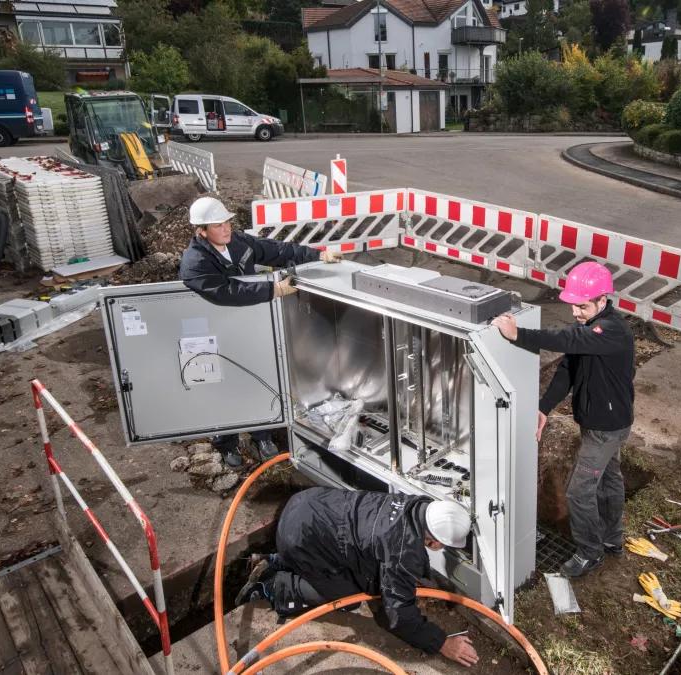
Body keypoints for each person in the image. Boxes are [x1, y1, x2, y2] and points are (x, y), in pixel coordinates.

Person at [490, 261, 634, 578]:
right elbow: (567, 370)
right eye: (573, 306)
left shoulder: (612, 331)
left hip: (607, 428)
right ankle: (612, 540)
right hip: (596, 421)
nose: (575, 313)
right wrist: (543, 408)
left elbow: (568, 341)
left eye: (582, 306)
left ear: (602, 300)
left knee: (579, 493)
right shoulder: (589, 329)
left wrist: (518, 335)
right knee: (610, 481)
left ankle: (590, 552)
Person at [178, 196, 341, 465]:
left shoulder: (239, 242)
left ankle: (261, 435)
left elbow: (275, 250)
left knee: (258, 378)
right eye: (218, 226)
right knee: (223, 386)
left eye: (227, 223)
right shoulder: (195, 262)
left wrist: (317, 254)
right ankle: (226, 443)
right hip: (217, 332)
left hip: (250, 326)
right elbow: (224, 292)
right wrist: (272, 290)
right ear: (202, 231)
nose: (226, 229)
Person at [238, 487, 480, 667]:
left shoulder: (413, 504)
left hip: (304, 506)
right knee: (349, 597)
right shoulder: (402, 551)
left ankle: (272, 560)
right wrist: (441, 643)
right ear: (435, 541)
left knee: (346, 564)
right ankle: (271, 586)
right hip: (300, 539)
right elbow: (399, 615)